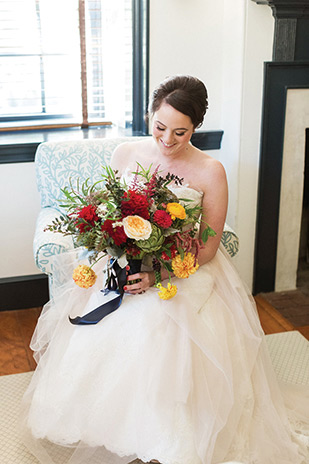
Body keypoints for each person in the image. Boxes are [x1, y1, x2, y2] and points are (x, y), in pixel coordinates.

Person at [21, 76, 309, 464]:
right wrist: (113, 249)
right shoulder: (124, 154)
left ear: (195, 128)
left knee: (155, 323)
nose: (168, 140)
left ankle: (168, 438)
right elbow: (110, 213)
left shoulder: (211, 171)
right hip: (124, 264)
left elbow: (207, 246)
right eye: (160, 128)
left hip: (183, 270)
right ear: (149, 114)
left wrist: (159, 275)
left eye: (180, 132)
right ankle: (115, 427)